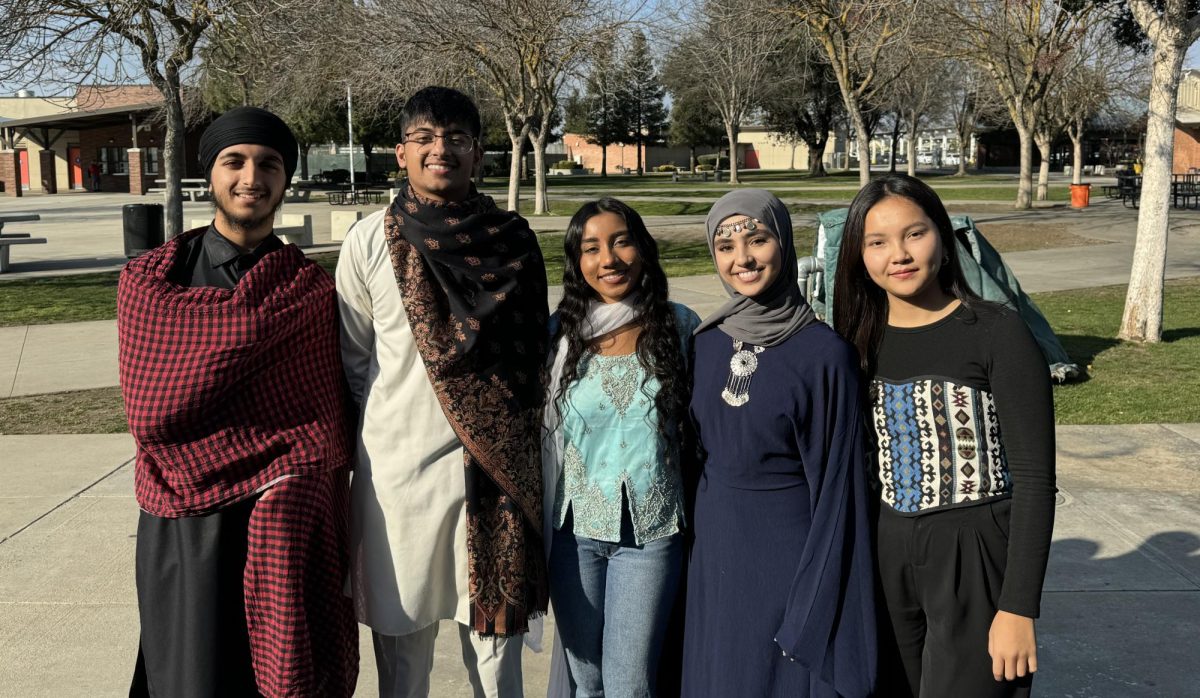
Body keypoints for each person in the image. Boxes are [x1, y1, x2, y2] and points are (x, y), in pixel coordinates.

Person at [120, 106, 358, 697]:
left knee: (275, 676)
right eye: (235, 161)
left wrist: (289, 475)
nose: (251, 177)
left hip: (280, 520)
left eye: (268, 164)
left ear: (285, 178)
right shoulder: (152, 285)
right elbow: (151, 411)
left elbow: (321, 421)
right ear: (211, 174)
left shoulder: (308, 290)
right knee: (189, 673)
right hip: (187, 519)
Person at [336, 86, 549, 697]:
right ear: (400, 153)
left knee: (496, 660)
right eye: (425, 138)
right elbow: (355, 360)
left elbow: (534, 358)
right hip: (399, 478)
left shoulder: (512, 240)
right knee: (403, 666)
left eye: (456, 138)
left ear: (478, 153)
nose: (440, 150)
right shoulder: (370, 240)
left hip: (496, 476)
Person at [832, 173, 1056, 697]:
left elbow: (1035, 479)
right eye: (878, 242)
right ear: (859, 255)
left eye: (915, 233)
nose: (900, 255)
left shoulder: (996, 330)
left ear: (942, 235)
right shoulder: (856, 341)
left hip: (975, 550)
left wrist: (1019, 606)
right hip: (887, 554)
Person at [681, 189, 876, 697]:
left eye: (757, 239)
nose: (742, 258)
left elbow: (839, 488)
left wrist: (819, 590)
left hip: (788, 553)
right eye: (725, 246)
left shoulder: (824, 355)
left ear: (784, 243)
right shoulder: (706, 343)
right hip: (714, 547)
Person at [542, 198, 699, 696]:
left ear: (643, 249)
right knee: (585, 681)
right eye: (591, 248)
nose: (607, 259)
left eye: (621, 241)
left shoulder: (680, 327)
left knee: (630, 684)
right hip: (574, 533)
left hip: (649, 534)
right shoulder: (560, 333)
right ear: (577, 262)